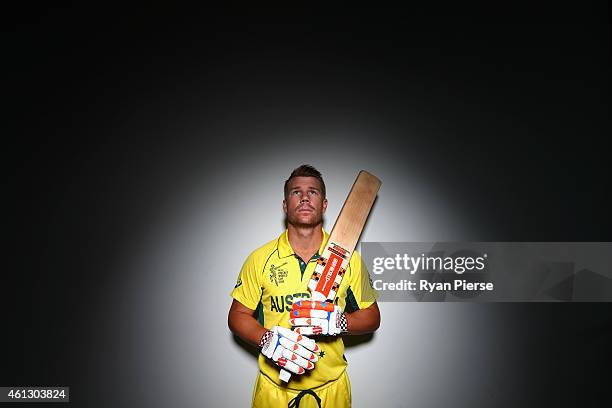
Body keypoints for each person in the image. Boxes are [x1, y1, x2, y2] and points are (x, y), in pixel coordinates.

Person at [228, 164, 380, 408]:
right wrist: (266, 339)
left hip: (331, 391)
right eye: (296, 192)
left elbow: (372, 317)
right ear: (285, 205)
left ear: (324, 205)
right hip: (274, 391)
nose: (305, 197)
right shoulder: (260, 258)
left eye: (313, 192)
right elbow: (237, 316)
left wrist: (340, 322)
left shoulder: (348, 260)